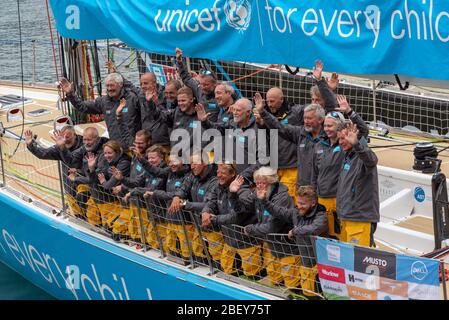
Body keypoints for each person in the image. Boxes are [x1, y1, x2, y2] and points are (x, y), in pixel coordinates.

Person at [312, 95, 368, 238]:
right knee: (326, 238)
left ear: (339, 126)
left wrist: (349, 112)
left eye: (330, 126)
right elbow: (315, 172)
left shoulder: (346, 147)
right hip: (321, 199)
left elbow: (363, 131)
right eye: (325, 125)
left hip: (338, 200)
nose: (326, 129)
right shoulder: (319, 144)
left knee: (340, 238)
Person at [261, 186, 328, 297]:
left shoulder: (321, 216)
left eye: (303, 204)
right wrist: (264, 201)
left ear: (313, 203)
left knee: (313, 295)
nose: (299, 206)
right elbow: (279, 211)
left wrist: (295, 231)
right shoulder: (296, 212)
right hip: (304, 261)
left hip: (318, 265)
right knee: (303, 292)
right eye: (298, 203)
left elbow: (313, 228)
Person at [241, 167, 300, 287]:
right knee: (275, 282)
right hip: (272, 247)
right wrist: (232, 194)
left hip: (287, 249)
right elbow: (242, 208)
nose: (259, 186)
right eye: (257, 183)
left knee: (292, 285)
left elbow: (272, 227)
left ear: (272, 182)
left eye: (263, 183)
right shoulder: (259, 192)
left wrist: (251, 229)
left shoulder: (282, 198)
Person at [203, 173, 263, 278]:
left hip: (246, 243)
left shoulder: (245, 193)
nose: (219, 174)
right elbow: (210, 202)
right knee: (227, 270)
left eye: (223, 172)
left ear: (232, 175)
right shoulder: (218, 188)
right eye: (217, 171)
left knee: (253, 275)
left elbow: (236, 216)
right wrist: (206, 211)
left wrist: (215, 219)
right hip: (229, 241)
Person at [256, 101, 326, 189]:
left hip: (322, 189)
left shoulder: (328, 137)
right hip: (303, 187)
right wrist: (262, 112)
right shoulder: (300, 133)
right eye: (304, 118)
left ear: (320, 119)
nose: (306, 121)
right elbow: (279, 127)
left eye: (309, 118)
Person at [59, 73, 140, 150]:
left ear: (121, 85)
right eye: (107, 86)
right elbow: (82, 107)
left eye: (112, 85)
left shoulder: (132, 99)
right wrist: (70, 94)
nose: (109, 88)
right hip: (115, 147)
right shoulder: (103, 102)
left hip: (133, 146)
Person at [196, 98, 266, 183]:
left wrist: (243, 175)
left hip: (245, 181)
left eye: (238, 110)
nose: (234, 113)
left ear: (248, 112)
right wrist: (204, 121)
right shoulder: (232, 124)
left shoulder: (258, 130)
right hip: (227, 178)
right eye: (234, 110)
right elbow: (216, 129)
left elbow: (262, 159)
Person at [24, 126, 85, 217]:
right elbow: (43, 153)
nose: (64, 139)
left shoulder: (85, 145)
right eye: (63, 136)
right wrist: (30, 144)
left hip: (85, 186)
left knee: (92, 215)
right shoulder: (60, 146)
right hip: (69, 187)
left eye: (67, 137)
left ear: (75, 135)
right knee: (78, 215)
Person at [169, 153, 218, 263]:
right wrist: (177, 196)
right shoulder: (192, 176)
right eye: (191, 163)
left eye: (195, 163)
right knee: (197, 252)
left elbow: (209, 204)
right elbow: (183, 188)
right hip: (197, 224)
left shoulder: (214, 181)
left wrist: (186, 205)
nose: (192, 166)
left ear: (205, 163)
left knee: (217, 257)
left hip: (213, 227)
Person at [254, 88, 303, 199]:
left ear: (281, 99)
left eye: (272, 101)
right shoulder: (263, 113)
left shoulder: (296, 112)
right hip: (274, 166)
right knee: (272, 198)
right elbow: (265, 139)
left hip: (291, 166)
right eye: (267, 101)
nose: (269, 105)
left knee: (287, 198)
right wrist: (261, 125)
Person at [336, 122, 379, 247]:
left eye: (343, 138)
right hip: (345, 218)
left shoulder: (363, 155)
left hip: (359, 219)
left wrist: (356, 144)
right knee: (346, 259)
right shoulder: (347, 156)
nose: (340, 142)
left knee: (358, 261)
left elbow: (372, 160)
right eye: (339, 138)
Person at [144, 154, 191, 258]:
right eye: (169, 162)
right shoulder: (169, 172)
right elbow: (156, 171)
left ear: (182, 161)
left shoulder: (188, 176)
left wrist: (155, 193)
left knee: (188, 251)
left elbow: (176, 193)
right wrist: (142, 160)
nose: (171, 165)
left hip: (184, 221)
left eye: (174, 162)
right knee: (170, 246)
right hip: (170, 218)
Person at [85, 140, 130, 237]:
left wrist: (103, 182)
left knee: (116, 229)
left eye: (109, 153)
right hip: (118, 199)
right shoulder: (106, 160)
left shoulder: (124, 163)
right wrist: (92, 168)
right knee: (107, 228)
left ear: (117, 152)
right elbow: (95, 179)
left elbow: (108, 185)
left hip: (126, 201)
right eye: (105, 153)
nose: (106, 156)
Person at [175, 48, 219, 122]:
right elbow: (186, 78)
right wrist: (179, 62)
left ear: (215, 84)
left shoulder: (221, 95)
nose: (203, 87)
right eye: (201, 84)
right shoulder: (199, 89)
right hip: (200, 127)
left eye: (206, 85)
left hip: (216, 130)